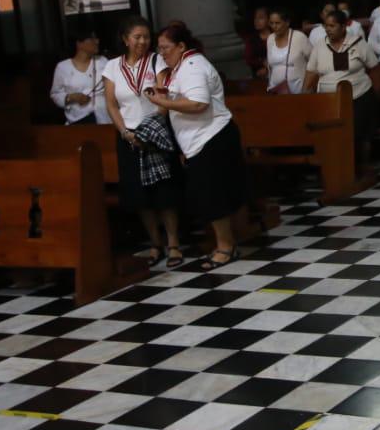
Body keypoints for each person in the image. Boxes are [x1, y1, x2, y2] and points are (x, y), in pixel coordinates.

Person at [148, 21, 246, 271]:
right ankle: (224, 242)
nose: (162, 54)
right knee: (208, 194)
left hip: (212, 138)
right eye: (159, 49)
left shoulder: (192, 66)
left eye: (166, 48)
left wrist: (163, 102)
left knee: (214, 195)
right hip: (200, 140)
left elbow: (198, 104)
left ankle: (226, 246)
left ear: (181, 46)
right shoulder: (181, 66)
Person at [101, 15, 184, 269]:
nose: (143, 41)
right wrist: (125, 132)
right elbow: (111, 103)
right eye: (137, 37)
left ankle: (174, 244)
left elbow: (162, 96)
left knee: (164, 194)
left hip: (155, 133)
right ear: (125, 39)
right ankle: (155, 243)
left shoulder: (156, 60)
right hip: (128, 137)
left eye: (146, 37)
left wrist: (147, 131)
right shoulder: (112, 67)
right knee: (140, 196)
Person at [305, 8, 380, 169]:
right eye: (326, 26)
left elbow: (374, 68)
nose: (328, 30)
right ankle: (340, 169)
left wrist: (378, 92)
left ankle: (360, 168)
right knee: (333, 136)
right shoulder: (319, 46)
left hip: (359, 97)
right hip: (330, 101)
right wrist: (305, 94)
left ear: (343, 26)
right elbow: (311, 72)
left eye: (332, 26)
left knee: (357, 135)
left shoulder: (358, 43)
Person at [50, 28, 110, 125]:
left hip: (104, 118)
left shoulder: (103, 61)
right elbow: (55, 94)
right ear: (79, 43)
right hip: (78, 120)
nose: (97, 41)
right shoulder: (62, 67)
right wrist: (71, 97)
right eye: (92, 38)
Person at [264, 6, 313, 94]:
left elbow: (314, 61)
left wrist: (307, 88)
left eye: (277, 23)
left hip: (299, 91)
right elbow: (270, 67)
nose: (274, 26)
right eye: (271, 23)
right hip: (276, 90)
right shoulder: (270, 39)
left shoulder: (299, 37)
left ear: (287, 22)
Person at [243, 5, 269, 80]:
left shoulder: (276, 37)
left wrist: (268, 69)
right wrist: (262, 62)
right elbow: (248, 59)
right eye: (255, 18)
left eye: (261, 18)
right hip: (259, 76)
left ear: (268, 19)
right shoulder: (251, 39)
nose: (257, 21)